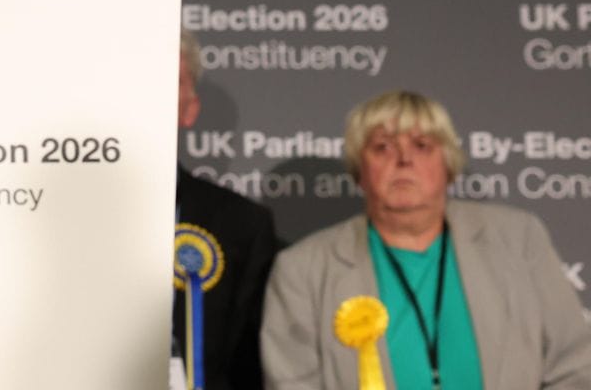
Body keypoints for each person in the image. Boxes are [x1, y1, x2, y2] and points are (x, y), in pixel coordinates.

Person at [261, 90, 591, 389]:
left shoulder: (519, 239)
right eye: (383, 147)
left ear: (448, 163)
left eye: (421, 145)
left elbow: (575, 366)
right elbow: (292, 382)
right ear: (359, 170)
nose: (404, 160)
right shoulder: (303, 269)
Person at [171, 31, 277, 390]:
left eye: (169, 79)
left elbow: (248, 370)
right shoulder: (45, 207)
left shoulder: (242, 225)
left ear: (190, 110)